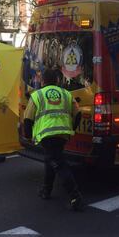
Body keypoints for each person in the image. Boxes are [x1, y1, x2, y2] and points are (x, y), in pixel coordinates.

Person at [24, 68, 83, 211]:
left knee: (58, 163)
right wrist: (72, 128)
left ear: (42, 81)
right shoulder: (66, 94)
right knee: (51, 159)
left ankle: (75, 197)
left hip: (46, 135)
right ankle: (46, 190)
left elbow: (27, 119)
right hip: (62, 134)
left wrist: (28, 136)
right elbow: (78, 114)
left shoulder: (37, 95)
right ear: (57, 80)